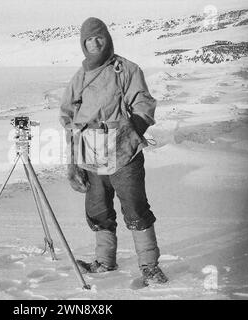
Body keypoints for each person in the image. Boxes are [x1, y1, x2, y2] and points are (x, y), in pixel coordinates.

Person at [59, 17, 168, 286]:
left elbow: (143, 104)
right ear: (82, 44)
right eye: (88, 40)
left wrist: (131, 134)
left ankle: (149, 266)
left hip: (123, 151)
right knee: (98, 209)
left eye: (99, 38)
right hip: (90, 152)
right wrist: (73, 158)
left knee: (135, 208)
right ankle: (105, 261)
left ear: (107, 38)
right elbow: (67, 115)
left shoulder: (126, 69)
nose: (94, 43)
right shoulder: (80, 76)